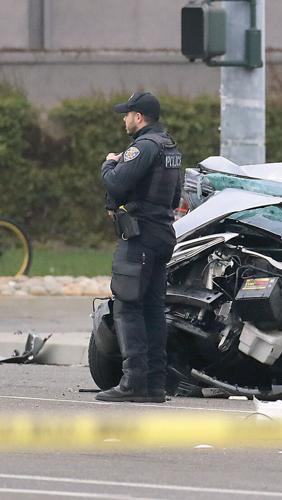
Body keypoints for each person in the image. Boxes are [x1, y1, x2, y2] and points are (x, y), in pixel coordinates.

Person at [97, 91, 182, 402]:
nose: (124, 119)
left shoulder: (143, 147)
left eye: (127, 114)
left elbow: (117, 182)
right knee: (152, 309)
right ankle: (155, 385)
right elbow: (175, 197)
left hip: (140, 236)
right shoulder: (169, 146)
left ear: (139, 117)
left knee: (128, 305)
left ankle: (133, 383)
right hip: (163, 234)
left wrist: (107, 165)